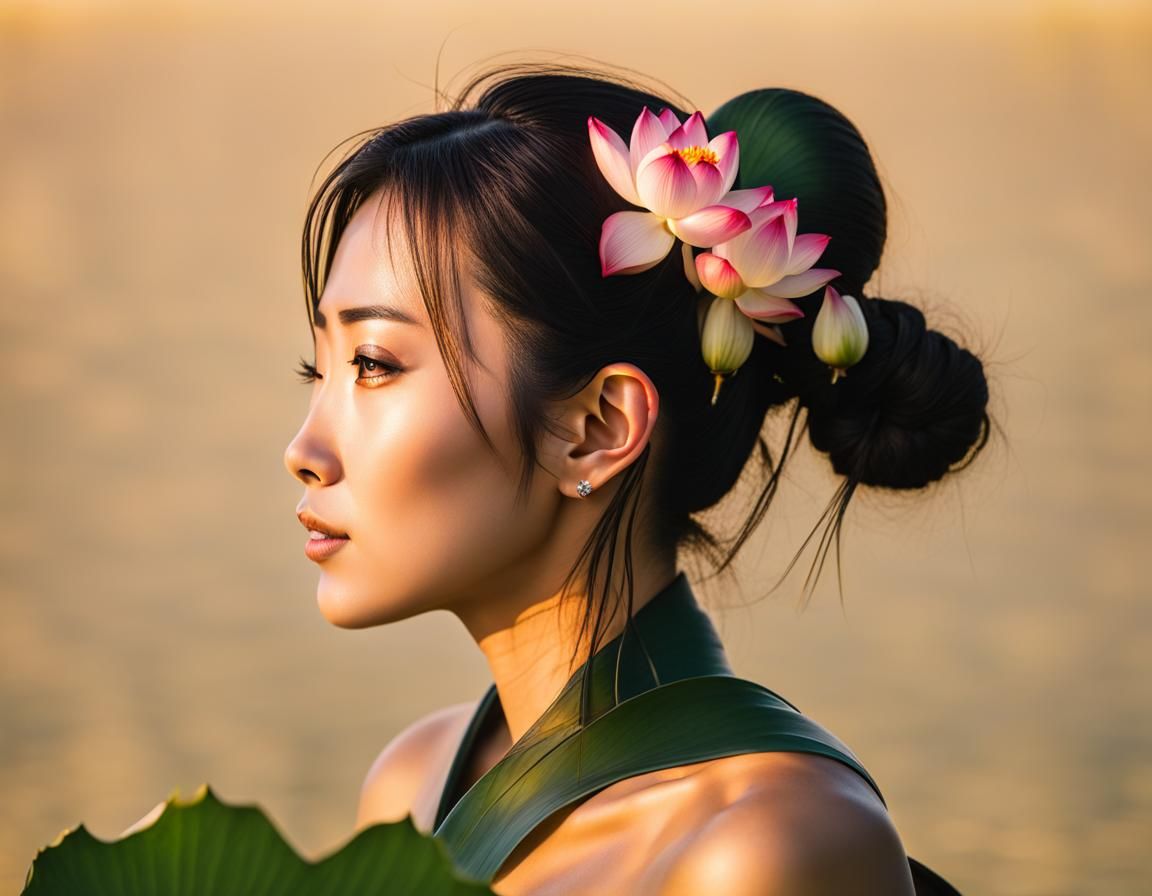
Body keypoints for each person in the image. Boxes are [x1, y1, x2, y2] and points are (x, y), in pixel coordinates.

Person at [282, 61, 989, 895]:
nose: (305, 447)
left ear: (597, 430)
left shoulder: (763, 847)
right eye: (315, 369)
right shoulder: (413, 790)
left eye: (371, 364)